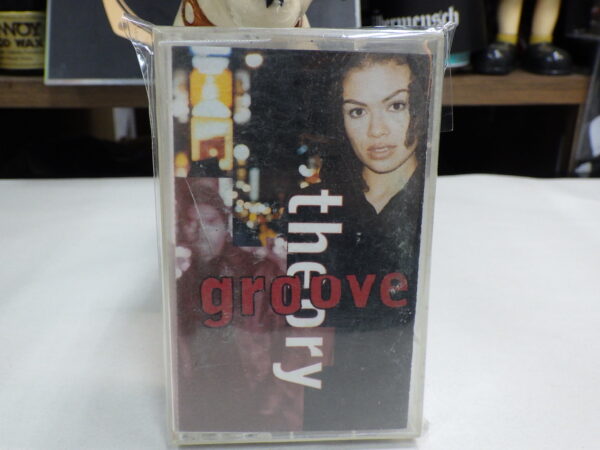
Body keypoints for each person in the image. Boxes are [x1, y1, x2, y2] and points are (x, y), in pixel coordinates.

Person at [292, 52, 432, 430]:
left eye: (396, 106)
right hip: (320, 402)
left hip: (402, 397)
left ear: (422, 106)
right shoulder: (316, 204)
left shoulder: (428, 203)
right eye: (357, 111)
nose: (376, 131)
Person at [175, 178, 303, 431]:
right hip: (203, 407)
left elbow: (295, 337)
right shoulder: (182, 281)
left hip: (256, 402)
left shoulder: (259, 272)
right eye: (191, 222)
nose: (200, 231)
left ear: (225, 226)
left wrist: (276, 392)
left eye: (210, 222)